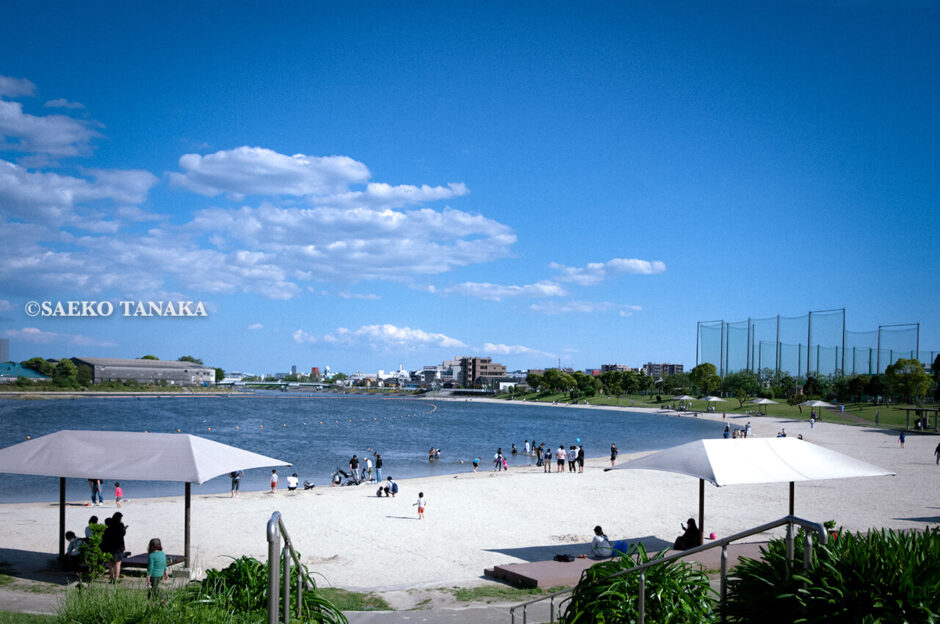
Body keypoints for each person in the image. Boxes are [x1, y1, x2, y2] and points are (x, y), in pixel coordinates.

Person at [102, 512, 127, 582]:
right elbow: (122, 534)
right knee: (118, 564)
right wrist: (124, 529)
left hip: (110, 546)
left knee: (111, 563)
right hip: (118, 546)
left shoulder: (110, 524)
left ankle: (111, 577)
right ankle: (116, 579)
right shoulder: (120, 525)